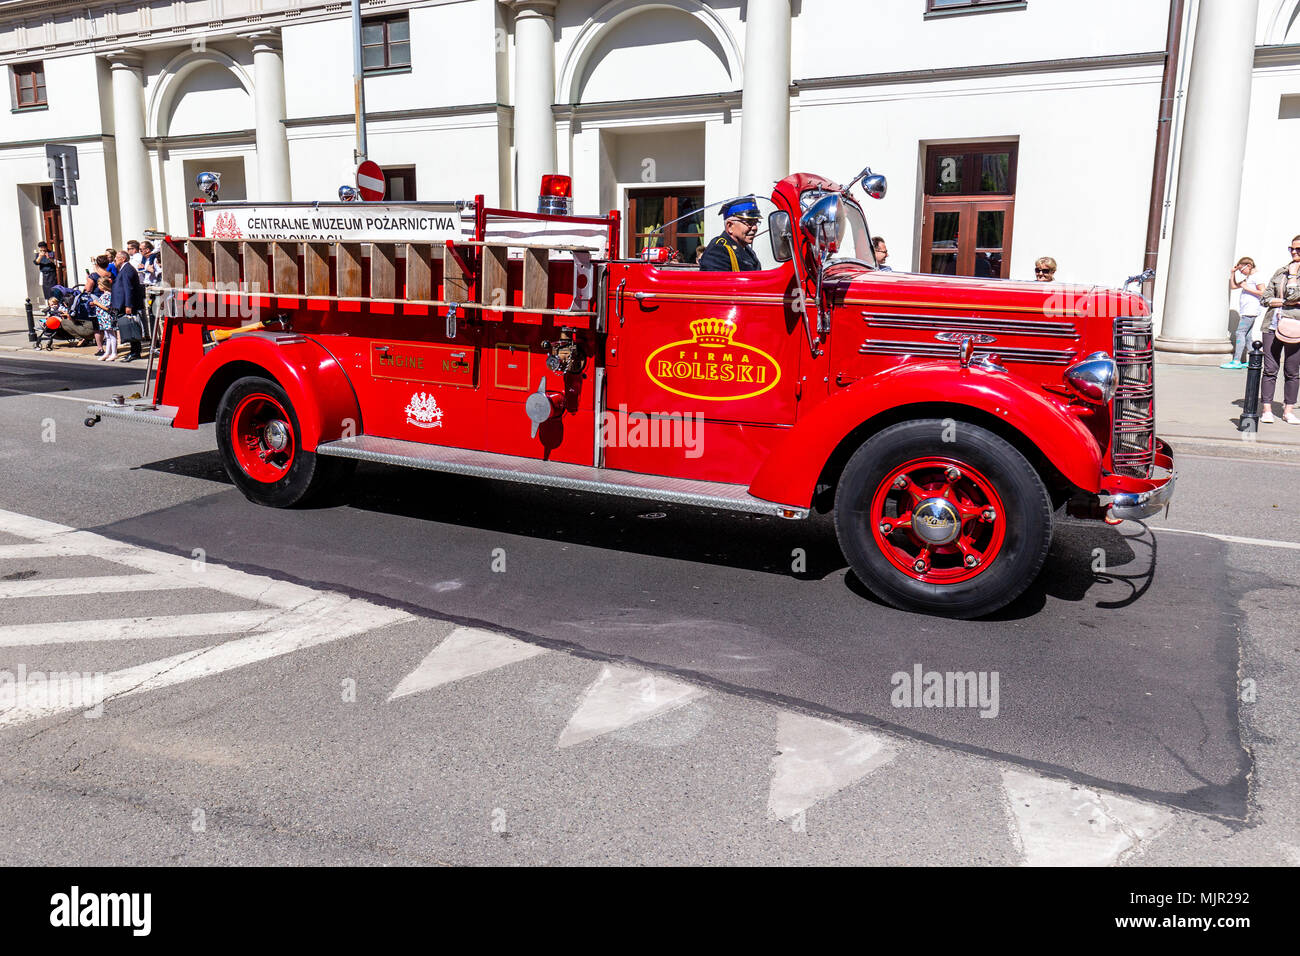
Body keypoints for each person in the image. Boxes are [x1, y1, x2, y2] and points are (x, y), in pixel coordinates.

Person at [1259, 236, 1300, 424]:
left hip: (1295, 326)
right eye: (1291, 249)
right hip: (1271, 325)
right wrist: (1285, 301)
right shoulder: (1280, 271)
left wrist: (1292, 277)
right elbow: (1265, 298)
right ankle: (1266, 409)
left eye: (1298, 249)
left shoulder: (1289, 273)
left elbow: (1295, 295)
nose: (1294, 252)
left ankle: (1288, 410)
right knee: (1270, 369)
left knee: (1292, 370)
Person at [699, 197, 762, 272]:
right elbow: (717, 282)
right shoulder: (718, 250)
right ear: (730, 226)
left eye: (756, 222)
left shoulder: (747, 249)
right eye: (749, 222)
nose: (754, 228)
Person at [1223, 257, 1264, 369]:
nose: (1241, 272)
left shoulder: (1257, 277)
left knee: (1240, 333)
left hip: (1250, 310)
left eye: (1242, 269)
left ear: (1249, 266)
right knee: (1248, 336)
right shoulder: (1249, 277)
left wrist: (1247, 288)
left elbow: (1263, 292)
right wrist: (1233, 273)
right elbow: (1233, 286)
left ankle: (1236, 360)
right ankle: (1253, 360)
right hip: (1247, 310)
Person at [109, 250, 145, 362]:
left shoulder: (127, 270)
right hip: (123, 303)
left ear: (123, 258)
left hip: (127, 305)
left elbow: (128, 288)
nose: (115, 260)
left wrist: (128, 305)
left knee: (130, 328)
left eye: (117, 258)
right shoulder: (124, 269)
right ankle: (133, 351)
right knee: (127, 328)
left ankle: (135, 352)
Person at [93, 276, 118, 362]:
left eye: (99, 285)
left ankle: (114, 353)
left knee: (111, 335)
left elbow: (107, 308)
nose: (98, 287)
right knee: (107, 336)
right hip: (103, 318)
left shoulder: (108, 295)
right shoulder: (104, 295)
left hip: (107, 317)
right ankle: (107, 352)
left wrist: (97, 303)